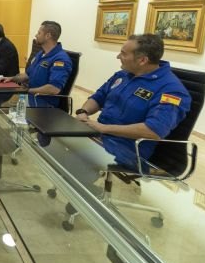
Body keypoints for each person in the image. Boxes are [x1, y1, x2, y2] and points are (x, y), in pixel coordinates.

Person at [75, 34, 191, 171]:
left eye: (123, 53)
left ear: (142, 60)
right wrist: (84, 112)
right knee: (59, 137)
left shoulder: (171, 91)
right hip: (100, 136)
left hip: (127, 150)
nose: (118, 56)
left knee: (74, 155)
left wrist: (103, 128)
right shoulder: (123, 74)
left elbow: (153, 130)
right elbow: (99, 96)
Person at [2, 20, 71, 107]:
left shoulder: (60, 59)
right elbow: (27, 75)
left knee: (3, 108)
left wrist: (28, 90)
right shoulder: (41, 54)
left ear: (48, 36)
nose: (36, 35)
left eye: (39, 33)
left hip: (43, 102)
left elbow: (54, 89)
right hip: (30, 96)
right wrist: (11, 79)